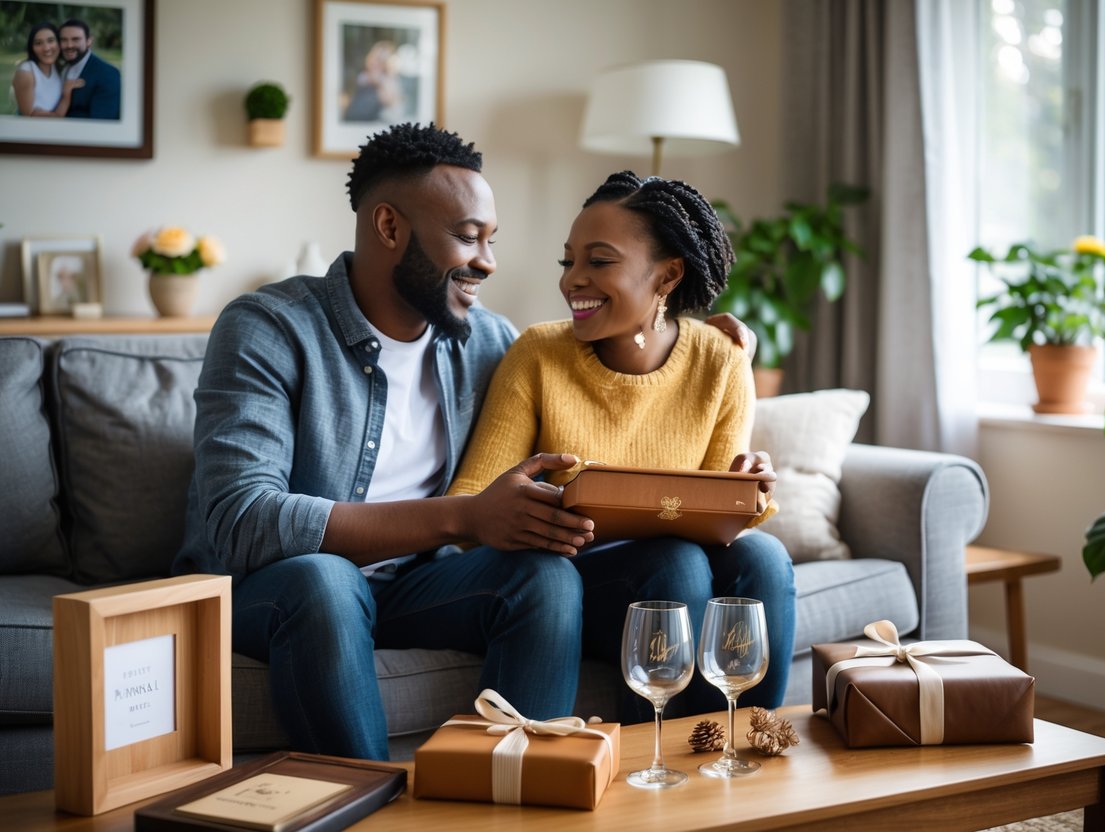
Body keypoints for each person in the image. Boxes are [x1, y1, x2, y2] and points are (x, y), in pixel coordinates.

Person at [172, 123, 752, 761]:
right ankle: (371, 808)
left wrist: (695, 332)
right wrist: (462, 516)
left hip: (423, 586)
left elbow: (601, 362)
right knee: (326, 582)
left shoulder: (488, 342)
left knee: (543, 575)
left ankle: (516, 791)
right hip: (281, 590)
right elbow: (240, 520)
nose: (488, 261)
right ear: (390, 228)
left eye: (491, 240)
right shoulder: (268, 328)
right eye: (467, 237)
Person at [447, 171, 796, 720]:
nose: (573, 280)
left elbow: (714, 525)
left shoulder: (722, 358)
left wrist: (746, 490)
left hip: (678, 580)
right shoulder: (537, 353)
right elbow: (470, 501)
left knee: (765, 557)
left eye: (599, 261)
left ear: (668, 275)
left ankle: (745, 742)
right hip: (569, 583)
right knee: (674, 562)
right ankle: (658, 761)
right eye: (569, 262)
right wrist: (535, 507)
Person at [11, 22, 84, 117]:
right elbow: (29, 117)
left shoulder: (59, 67)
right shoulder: (26, 72)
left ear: (58, 43)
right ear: (32, 47)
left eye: (51, 41)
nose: (46, 48)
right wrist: (66, 95)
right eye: (38, 43)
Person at [59, 18, 120, 120]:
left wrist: (55, 118)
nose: (69, 45)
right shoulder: (61, 67)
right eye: (64, 40)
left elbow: (100, 122)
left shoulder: (108, 74)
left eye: (76, 39)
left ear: (89, 41)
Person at [342, 41, 401, 122]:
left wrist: (381, 82)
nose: (375, 62)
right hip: (350, 122)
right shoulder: (359, 76)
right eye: (374, 56)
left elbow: (391, 102)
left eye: (380, 59)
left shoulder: (386, 81)